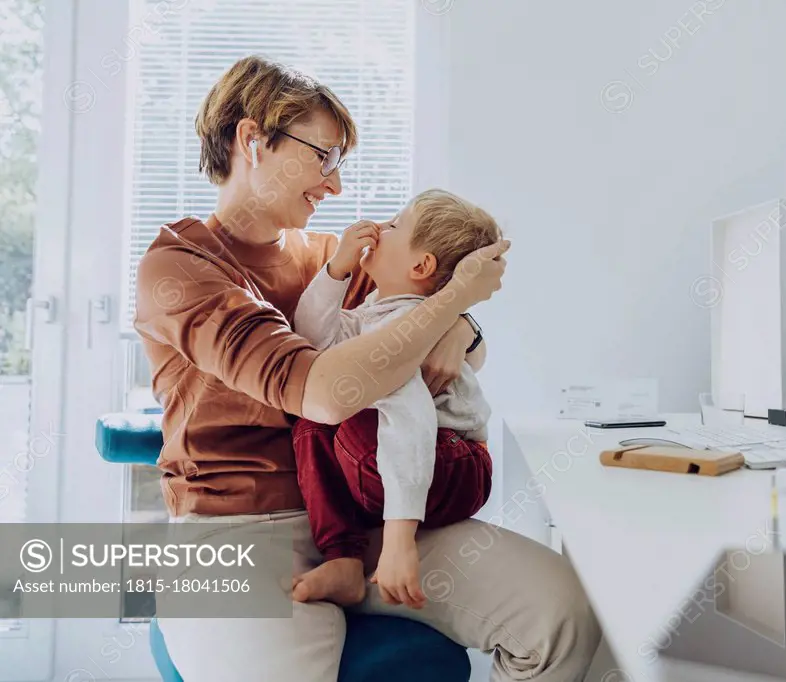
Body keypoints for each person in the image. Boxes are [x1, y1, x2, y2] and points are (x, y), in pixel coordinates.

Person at [133, 56, 600, 682]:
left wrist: (460, 325)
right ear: (252, 140)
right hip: (240, 533)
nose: (336, 186)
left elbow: (446, 332)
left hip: (364, 518)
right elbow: (325, 393)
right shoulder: (180, 267)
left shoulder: (336, 258)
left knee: (563, 615)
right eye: (323, 157)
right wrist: (455, 302)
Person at [289, 189, 500, 609]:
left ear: (420, 265)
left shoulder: (408, 324)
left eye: (395, 226)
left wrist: (399, 540)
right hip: (421, 459)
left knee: (356, 416)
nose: (380, 228)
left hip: (455, 464)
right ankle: (343, 558)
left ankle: (376, 540)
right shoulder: (378, 311)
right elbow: (314, 340)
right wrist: (336, 271)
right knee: (313, 413)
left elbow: (411, 417)